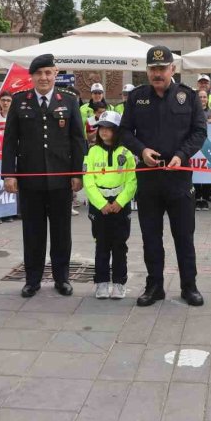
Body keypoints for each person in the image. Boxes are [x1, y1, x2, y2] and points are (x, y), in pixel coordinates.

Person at [121, 45, 207, 307]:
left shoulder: (188, 96)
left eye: (162, 68)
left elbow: (199, 132)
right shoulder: (137, 98)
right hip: (148, 179)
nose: (158, 73)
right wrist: (141, 150)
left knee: (184, 236)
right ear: (147, 70)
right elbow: (125, 132)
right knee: (151, 236)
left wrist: (182, 154)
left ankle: (189, 286)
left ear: (173, 69)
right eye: (153, 69)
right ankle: (154, 286)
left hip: (179, 179)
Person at [2, 54, 87, 298]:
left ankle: (62, 278)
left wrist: (77, 173)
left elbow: (77, 140)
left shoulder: (69, 101)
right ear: (32, 76)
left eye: (48, 73)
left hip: (61, 178)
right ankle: (32, 279)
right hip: (30, 179)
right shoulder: (20, 101)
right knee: (33, 231)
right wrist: (9, 174)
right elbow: (10, 142)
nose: (44, 78)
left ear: (55, 74)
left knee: (62, 231)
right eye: (39, 73)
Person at [83, 110, 137, 299]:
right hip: (100, 207)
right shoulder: (92, 151)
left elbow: (132, 180)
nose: (104, 132)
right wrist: (101, 203)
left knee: (120, 245)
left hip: (120, 206)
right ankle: (101, 282)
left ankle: (119, 282)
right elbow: (88, 181)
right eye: (101, 128)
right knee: (102, 244)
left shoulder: (126, 152)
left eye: (109, 129)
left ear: (117, 130)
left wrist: (120, 202)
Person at [195, 89, 211, 211]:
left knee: (208, 172)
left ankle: (205, 197)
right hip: (196, 146)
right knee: (196, 171)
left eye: (204, 97)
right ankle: (197, 197)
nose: (202, 99)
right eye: (200, 97)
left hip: (209, 146)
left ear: (208, 99)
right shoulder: (192, 111)